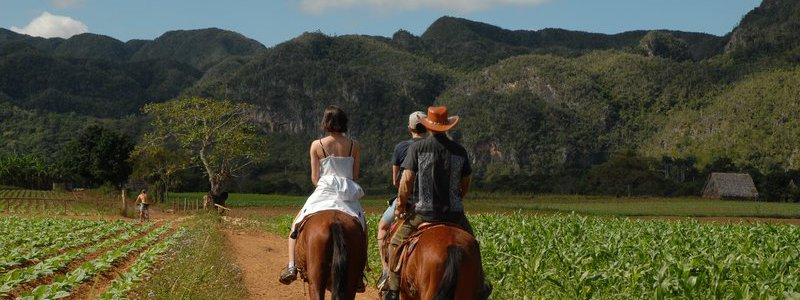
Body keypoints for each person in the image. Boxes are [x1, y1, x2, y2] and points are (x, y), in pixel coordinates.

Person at [382, 106, 489, 300]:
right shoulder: (459, 151)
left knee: (395, 244)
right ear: (447, 125)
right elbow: (466, 183)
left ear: (429, 126)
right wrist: (456, 199)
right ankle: (480, 289)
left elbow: (406, 182)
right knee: (473, 246)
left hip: (424, 213)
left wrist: (400, 206)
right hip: (455, 214)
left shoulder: (417, 148)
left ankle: (392, 290)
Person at [279, 105, 366, 286]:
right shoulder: (355, 146)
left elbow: (314, 178)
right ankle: (359, 273)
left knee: (295, 226)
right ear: (344, 122)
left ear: (326, 122)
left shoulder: (317, 145)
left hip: (324, 190)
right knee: (362, 229)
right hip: (347, 194)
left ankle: (291, 266)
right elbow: (355, 176)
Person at [376, 111, 427, 289]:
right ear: (427, 127)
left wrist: (400, 205)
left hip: (409, 202)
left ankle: (386, 273)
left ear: (409, 128)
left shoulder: (401, 147)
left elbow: (396, 181)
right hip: (436, 202)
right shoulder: (435, 146)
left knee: (382, 227)